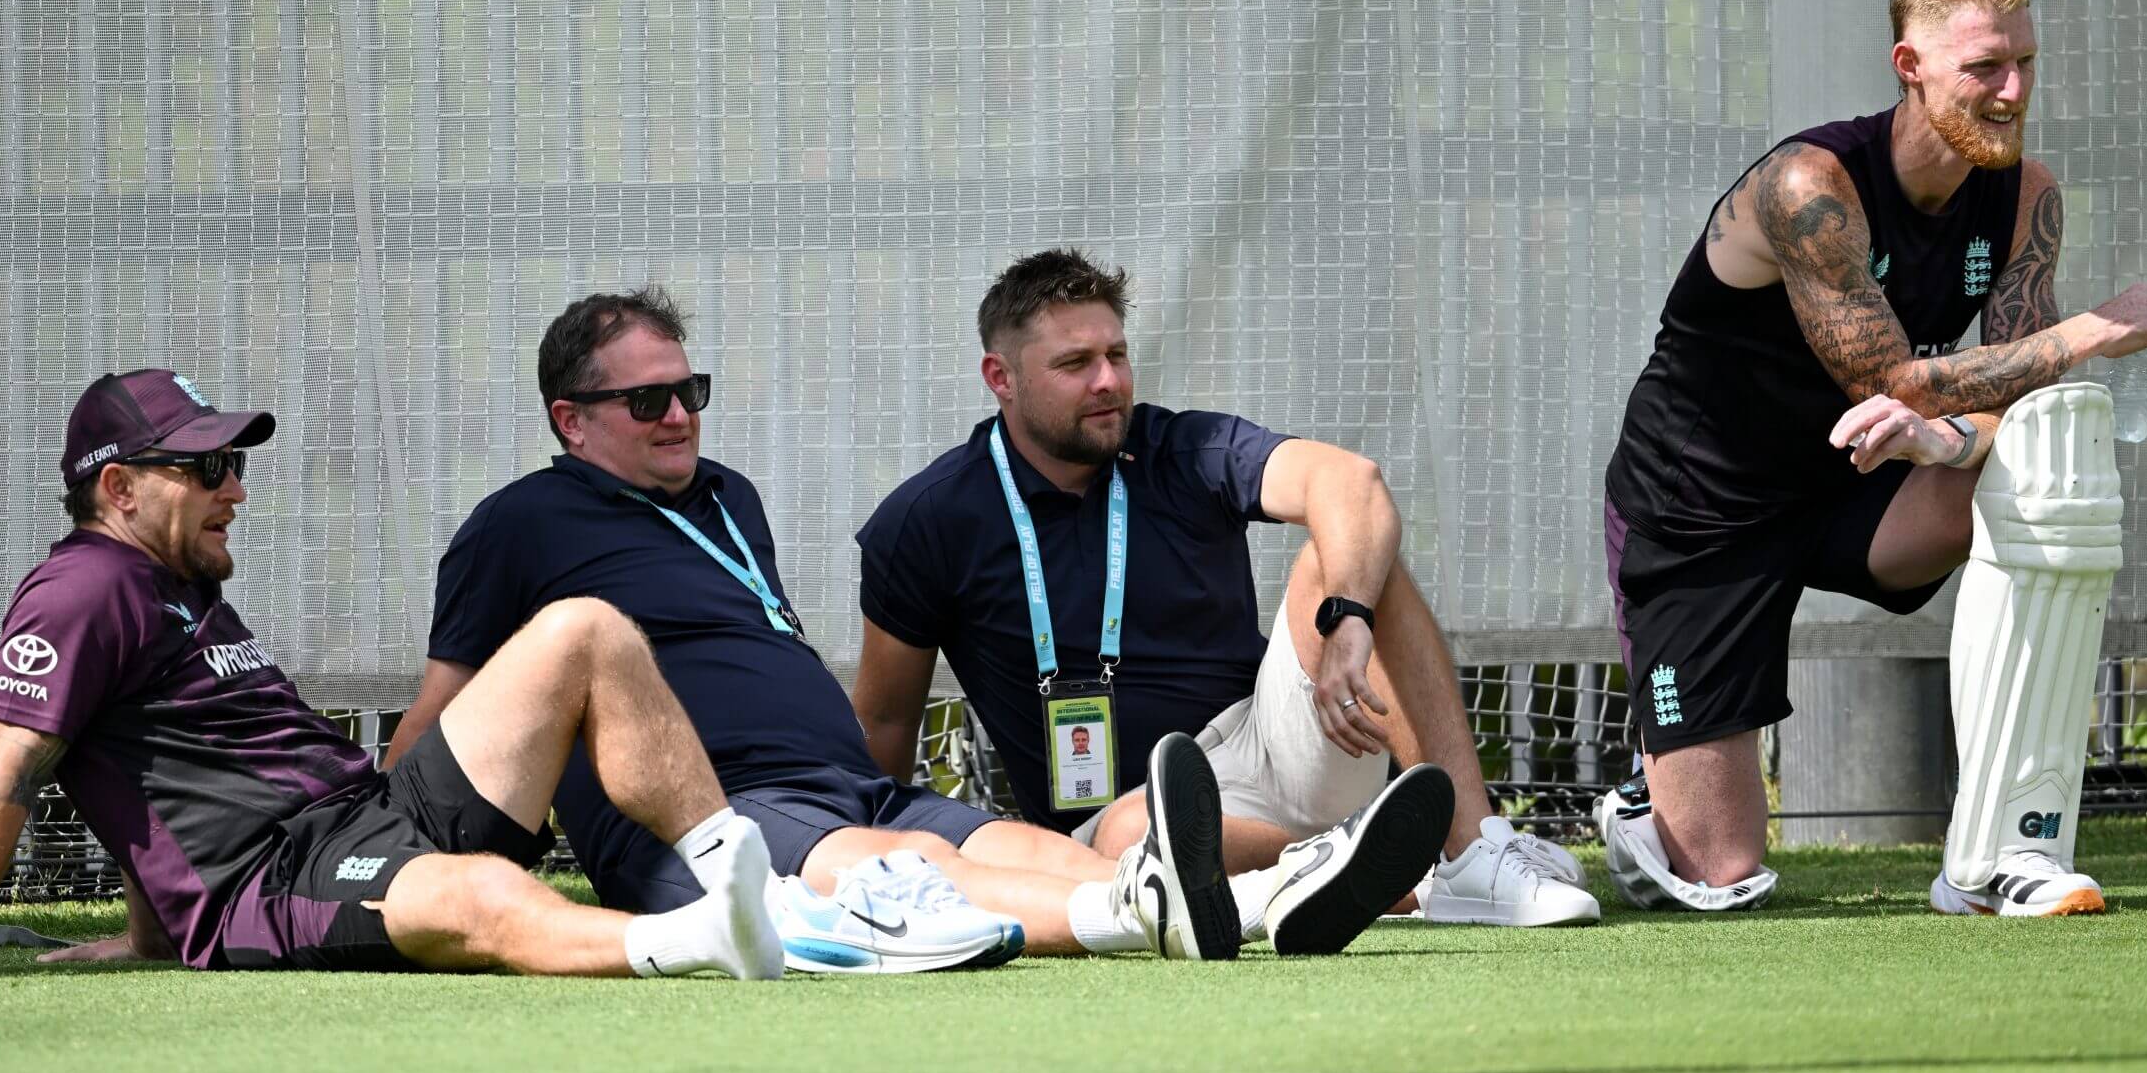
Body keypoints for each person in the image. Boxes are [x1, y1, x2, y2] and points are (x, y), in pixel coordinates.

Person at [386, 290, 1451, 965]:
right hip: (711, 811)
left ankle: (1272, 893)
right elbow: (450, 712)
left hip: (846, 781)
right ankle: (1170, 914)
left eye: (690, 390)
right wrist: (370, 849)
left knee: (1024, 844)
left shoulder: (725, 495)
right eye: (648, 402)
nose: (680, 416)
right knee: (891, 865)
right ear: (570, 419)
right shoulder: (514, 526)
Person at [0, 368, 783, 986]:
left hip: (372, 814)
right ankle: (698, 940)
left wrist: (145, 932)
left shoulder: (178, 582)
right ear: (119, 488)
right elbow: (8, 773)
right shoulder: (81, 590)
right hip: (275, 883)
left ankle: (751, 891)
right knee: (474, 894)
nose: (236, 484)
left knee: (583, 629)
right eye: (208, 465)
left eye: (232, 459)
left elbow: (155, 772)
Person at [1596, 0, 2147, 915]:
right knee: (1719, 872)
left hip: (1861, 481)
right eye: (1983, 68)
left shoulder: (2025, 196)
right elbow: (1896, 377)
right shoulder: (1807, 186)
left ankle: (2000, 847)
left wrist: (1946, 442)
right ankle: (1643, 803)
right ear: (1909, 67)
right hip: (1700, 509)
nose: (2010, 91)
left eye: (2024, 64)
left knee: (2044, 455)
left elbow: (2002, 400)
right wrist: (2093, 330)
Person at [852, 250, 1598, 932]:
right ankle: (1383, 873)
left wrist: (1348, 622)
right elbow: (884, 723)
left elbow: (1350, 481)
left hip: (1285, 740)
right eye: (1075, 363)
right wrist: (866, 868)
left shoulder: (1181, 447)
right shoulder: (925, 522)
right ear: (1001, 378)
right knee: (1131, 833)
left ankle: (1471, 857)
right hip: (1130, 815)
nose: (1108, 380)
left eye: (1116, 354)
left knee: (1351, 555)